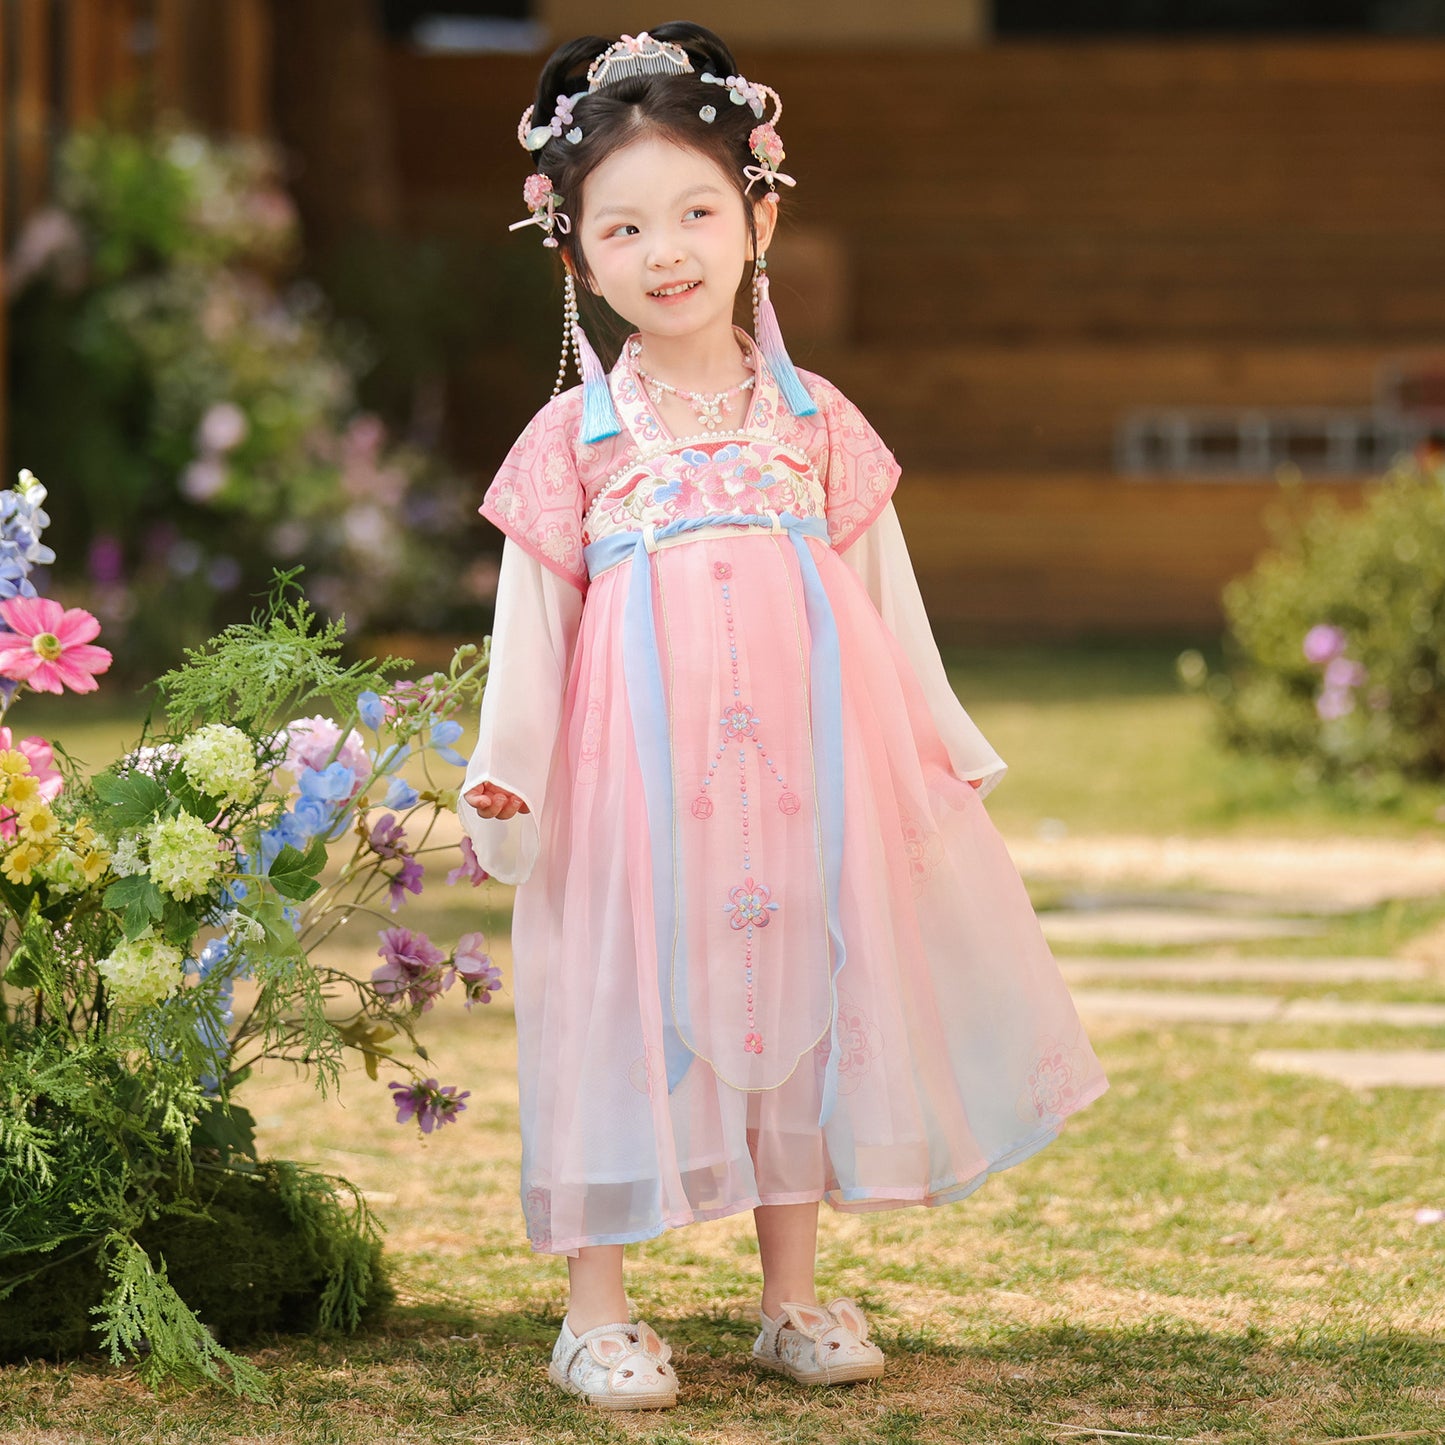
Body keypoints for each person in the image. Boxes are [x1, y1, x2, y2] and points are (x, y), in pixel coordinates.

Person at [459, 22, 1109, 1411]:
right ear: (573, 254)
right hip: (632, 790)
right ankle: (594, 1308)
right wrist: (509, 772)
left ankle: (791, 1294)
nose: (666, 251)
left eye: (696, 212)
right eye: (623, 227)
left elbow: (883, 601)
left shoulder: (815, 423)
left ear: (758, 217)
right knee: (617, 1005)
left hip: (804, 776)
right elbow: (534, 625)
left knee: (804, 999)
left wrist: (933, 749)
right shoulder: (573, 442)